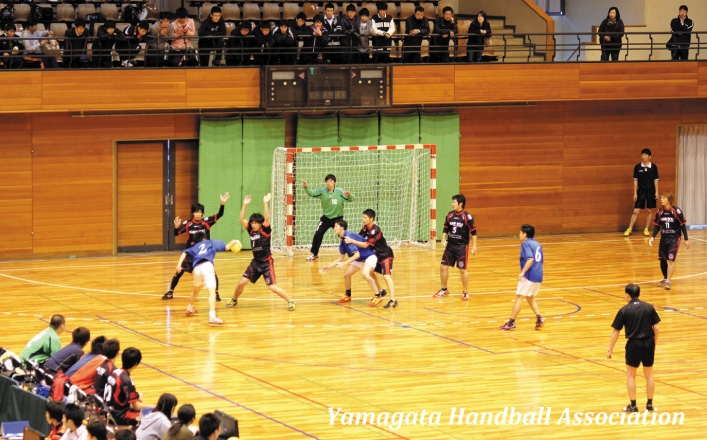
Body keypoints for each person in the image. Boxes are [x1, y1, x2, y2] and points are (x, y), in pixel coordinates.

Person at [227, 194, 295, 311]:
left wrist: (265, 203)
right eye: (252, 223)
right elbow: (241, 219)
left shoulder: (265, 230)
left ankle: (290, 301)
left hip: (266, 263)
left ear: (260, 223)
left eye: (255, 223)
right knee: (242, 282)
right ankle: (234, 299)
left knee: (272, 287)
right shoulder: (251, 230)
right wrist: (245, 205)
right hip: (255, 263)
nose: (253, 225)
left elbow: (267, 219)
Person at [163, 192, 229, 301]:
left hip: (204, 254)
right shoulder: (187, 224)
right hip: (191, 253)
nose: (198, 214)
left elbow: (220, 214)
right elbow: (176, 233)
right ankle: (170, 292)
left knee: (212, 272)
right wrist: (176, 227)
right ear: (192, 213)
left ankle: (216, 293)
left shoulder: (207, 222)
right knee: (179, 272)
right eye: (196, 212)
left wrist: (222, 204)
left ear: (202, 213)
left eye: (200, 212)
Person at [607, 284, 660, 412]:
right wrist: (654, 344)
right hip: (648, 343)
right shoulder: (649, 307)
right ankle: (649, 405)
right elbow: (656, 328)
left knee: (631, 376)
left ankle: (633, 405)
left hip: (634, 344)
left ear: (627, 295)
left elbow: (616, 331)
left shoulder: (624, 310)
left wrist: (610, 348)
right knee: (649, 375)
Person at [180, 231, 239, 324]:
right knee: (212, 293)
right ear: (204, 238)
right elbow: (227, 247)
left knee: (195, 291)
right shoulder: (210, 242)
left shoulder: (195, 246)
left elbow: (184, 252)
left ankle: (189, 308)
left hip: (196, 269)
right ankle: (212, 317)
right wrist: (233, 241)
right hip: (207, 266)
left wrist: (179, 265)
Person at [344, 209, 397, 308]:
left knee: (386, 276)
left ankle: (393, 300)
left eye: (365, 218)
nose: (363, 219)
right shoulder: (365, 228)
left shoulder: (375, 229)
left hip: (385, 255)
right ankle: (381, 291)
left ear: (371, 219)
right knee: (370, 272)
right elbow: (359, 238)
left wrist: (352, 241)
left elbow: (365, 244)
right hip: (375, 255)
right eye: (363, 217)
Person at [320, 219, 379, 303]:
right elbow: (340, 258)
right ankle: (348, 295)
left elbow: (357, 255)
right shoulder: (343, 240)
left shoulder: (348, 237)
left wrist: (345, 263)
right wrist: (329, 267)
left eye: (336, 226)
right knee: (347, 275)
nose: (334, 228)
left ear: (342, 228)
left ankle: (377, 295)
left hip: (369, 257)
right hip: (360, 259)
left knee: (365, 274)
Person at [499, 224, 545, 330]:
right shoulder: (538, 244)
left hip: (529, 275)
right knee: (529, 297)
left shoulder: (525, 244)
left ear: (525, 234)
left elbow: (530, 259)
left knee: (519, 296)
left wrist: (522, 272)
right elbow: (541, 261)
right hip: (539, 275)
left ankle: (511, 322)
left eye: (520, 233)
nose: (519, 235)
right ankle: (539, 318)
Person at [434, 194, 477, 300]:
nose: (452, 204)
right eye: (452, 202)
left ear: (460, 204)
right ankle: (444, 289)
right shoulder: (450, 215)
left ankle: (465, 292)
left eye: (454, 202)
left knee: (462, 270)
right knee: (443, 267)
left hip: (462, 247)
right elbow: (446, 228)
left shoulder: (467, 216)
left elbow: (473, 232)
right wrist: (443, 238)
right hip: (450, 246)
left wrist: (474, 245)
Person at [302, 174, 353, 261]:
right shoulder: (322, 191)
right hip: (326, 218)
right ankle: (314, 254)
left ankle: (352, 254)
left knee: (344, 236)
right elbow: (311, 193)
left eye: (331, 181)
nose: (329, 183)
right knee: (318, 234)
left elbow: (351, 199)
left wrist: (349, 195)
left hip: (338, 219)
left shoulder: (340, 192)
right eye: (327, 181)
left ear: (334, 182)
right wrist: (306, 187)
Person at [649, 191, 689, 290]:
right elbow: (657, 226)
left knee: (670, 259)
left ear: (669, 200)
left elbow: (682, 225)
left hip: (674, 239)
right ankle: (665, 278)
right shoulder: (660, 211)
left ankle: (668, 281)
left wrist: (686, 239)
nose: (661, 199)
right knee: (662, 260)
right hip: (664, 238)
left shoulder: (676, 211)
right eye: (661, 198)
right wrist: (652, 237)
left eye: (663, 198)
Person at [104, 347, 147, 426]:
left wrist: (137, 396)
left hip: (107, 412)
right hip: (118, 417)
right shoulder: (127, 381)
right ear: (135, 364)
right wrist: (154, 407)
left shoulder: (115, 372)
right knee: (149, 414)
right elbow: (136, 406)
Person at [624, 148, 659, 237]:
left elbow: (656, 180)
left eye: (645, 155)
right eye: (642, 155)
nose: (643, 156)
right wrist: (635, 193)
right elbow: (635, 180)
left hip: (651, 190)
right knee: (636, 211)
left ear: (649, 157)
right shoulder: (637, 167)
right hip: (641, 191)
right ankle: (630, 229)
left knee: (649, 210)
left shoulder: (653, 167)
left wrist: (656, 192)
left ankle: (646, 228)